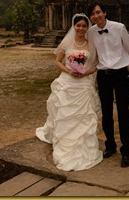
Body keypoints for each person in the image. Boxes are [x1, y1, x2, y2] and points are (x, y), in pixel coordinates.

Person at [35, 13, 103, 171]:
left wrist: (85, 73)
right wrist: (68, 70)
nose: (81, 28)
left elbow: (96, 64)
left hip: (83, 84)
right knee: (64, 114)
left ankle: (84, 146)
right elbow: (57, 61)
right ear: (74, 27)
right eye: (78, 25)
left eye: (84, 26)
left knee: (83, 116)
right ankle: (64, 143)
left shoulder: (91, 45)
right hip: (68, 82)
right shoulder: (66, 43)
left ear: (87, 28)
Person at [86, 1, 129, 168]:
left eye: (98, 12)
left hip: (121, 73)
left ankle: (127, 151)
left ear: (105, 12)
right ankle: (110, 145)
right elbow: (89, 53)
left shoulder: (119, 27)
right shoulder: (91, 32)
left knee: (123, 112)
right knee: (106, 113)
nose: (96, 16)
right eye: (93, 14)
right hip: (103, 75)